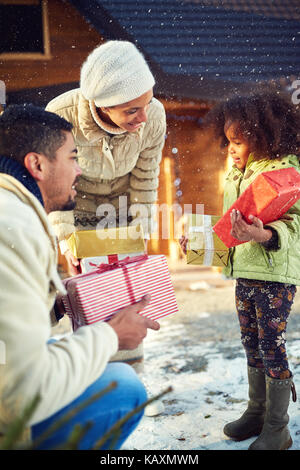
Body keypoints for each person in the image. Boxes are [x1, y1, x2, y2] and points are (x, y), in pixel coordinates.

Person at [0, 104, 160, 450]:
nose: (79, 170)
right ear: (37, 165)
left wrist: (56, 306)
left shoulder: (12, 209)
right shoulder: (11, 226)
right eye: (72, 157)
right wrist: (111, 335)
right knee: (123, 384)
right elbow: (22, 393)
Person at [180, 89, 300, 450]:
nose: (230, 149)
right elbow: (234, 226)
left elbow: (294, 226)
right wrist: (201, 245)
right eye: (227, 141)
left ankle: (277, 428)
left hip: (274, 275)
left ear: (264, 135)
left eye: (237, 141)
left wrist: (260, 234)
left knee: (271, 345)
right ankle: (257, 411)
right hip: (246, 273)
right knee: (251, 343)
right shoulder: (238, 173)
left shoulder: (287, 172)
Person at [46, 40, 166, 370]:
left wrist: (140, 231)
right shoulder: (60, 115)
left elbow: (145, 176)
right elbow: (55, 185)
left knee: (127, 294)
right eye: (131, 110)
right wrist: (67, 239)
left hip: (122, 210)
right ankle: (92, 372)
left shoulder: (153, 116)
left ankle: (131, 374)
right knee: (89, 294)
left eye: (148, 102)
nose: (143, 117)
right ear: (102, 105)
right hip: (76, 206)